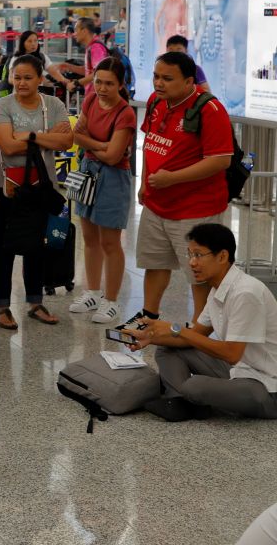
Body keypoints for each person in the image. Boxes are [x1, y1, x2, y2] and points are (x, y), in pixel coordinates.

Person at [125, 224, 277, 421]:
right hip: (241, 370)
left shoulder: (246, 293)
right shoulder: (217, 290)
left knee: (194, 385)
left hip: (267, 386)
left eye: (198, 255)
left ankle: (189, 398)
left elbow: (231, 354)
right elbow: (193, 336)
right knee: (167, 349)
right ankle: (181, 402)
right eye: (190, 255)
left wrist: (175, 329)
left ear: (222, 256)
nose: (192, 263)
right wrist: (151, 337)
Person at [128, 51, 233, 328]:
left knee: (199, 272)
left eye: (167, 78)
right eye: (156, 76)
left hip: (196, 209)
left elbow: (220, 160)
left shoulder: (210, 110)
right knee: (155, 263)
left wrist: (172, 179)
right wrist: (144, 182)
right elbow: (151, 143)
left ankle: (200, 327)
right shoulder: (156, 101)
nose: (158, 83)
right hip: (157, 204)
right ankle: (148, 317)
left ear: (189, 81)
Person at [0, 54, 73, 330]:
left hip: (42, 186)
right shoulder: (2, 105)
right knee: (4, 245)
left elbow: (66, 142)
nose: (21, 83)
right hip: (8, 187)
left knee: (37, 243)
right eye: (17, 77)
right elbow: (7, 146)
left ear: (39, 79)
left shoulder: (53, 104)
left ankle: (35, 302)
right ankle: (2, 306)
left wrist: (29, 135)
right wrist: (47, 136)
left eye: (27, 77)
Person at [68, 58, 135, 324]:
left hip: (113, 179)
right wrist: (101, 145)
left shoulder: (125, 114)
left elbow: (114, 156)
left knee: (110, 242)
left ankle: (111, 300)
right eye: (98, 82)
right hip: (87, 171)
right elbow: (76, 136)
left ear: (121, 85)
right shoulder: (90, 101)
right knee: (89, 238)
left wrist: (92, 145)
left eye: (109, 83)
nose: (102, 88)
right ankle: (92, 293)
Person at [1, 30, 73, 94]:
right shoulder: (16, 58)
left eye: (35, 41)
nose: (33, 44)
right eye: (29, 41)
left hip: (38, 94)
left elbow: (54, 72)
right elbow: (11, 79)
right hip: (21, 93)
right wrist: (35, 83)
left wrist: (65, 81)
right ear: (23, 43)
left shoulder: (42, 57)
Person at [73, 17, 108, 90]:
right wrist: (67, 66)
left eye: (76, 30)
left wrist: (76, 83)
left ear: (84, 31)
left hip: (97, 94)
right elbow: (89, 70)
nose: (74, 34)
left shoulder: (96, 47)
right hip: (92, 93)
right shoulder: (90, 47)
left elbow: (99, 73)